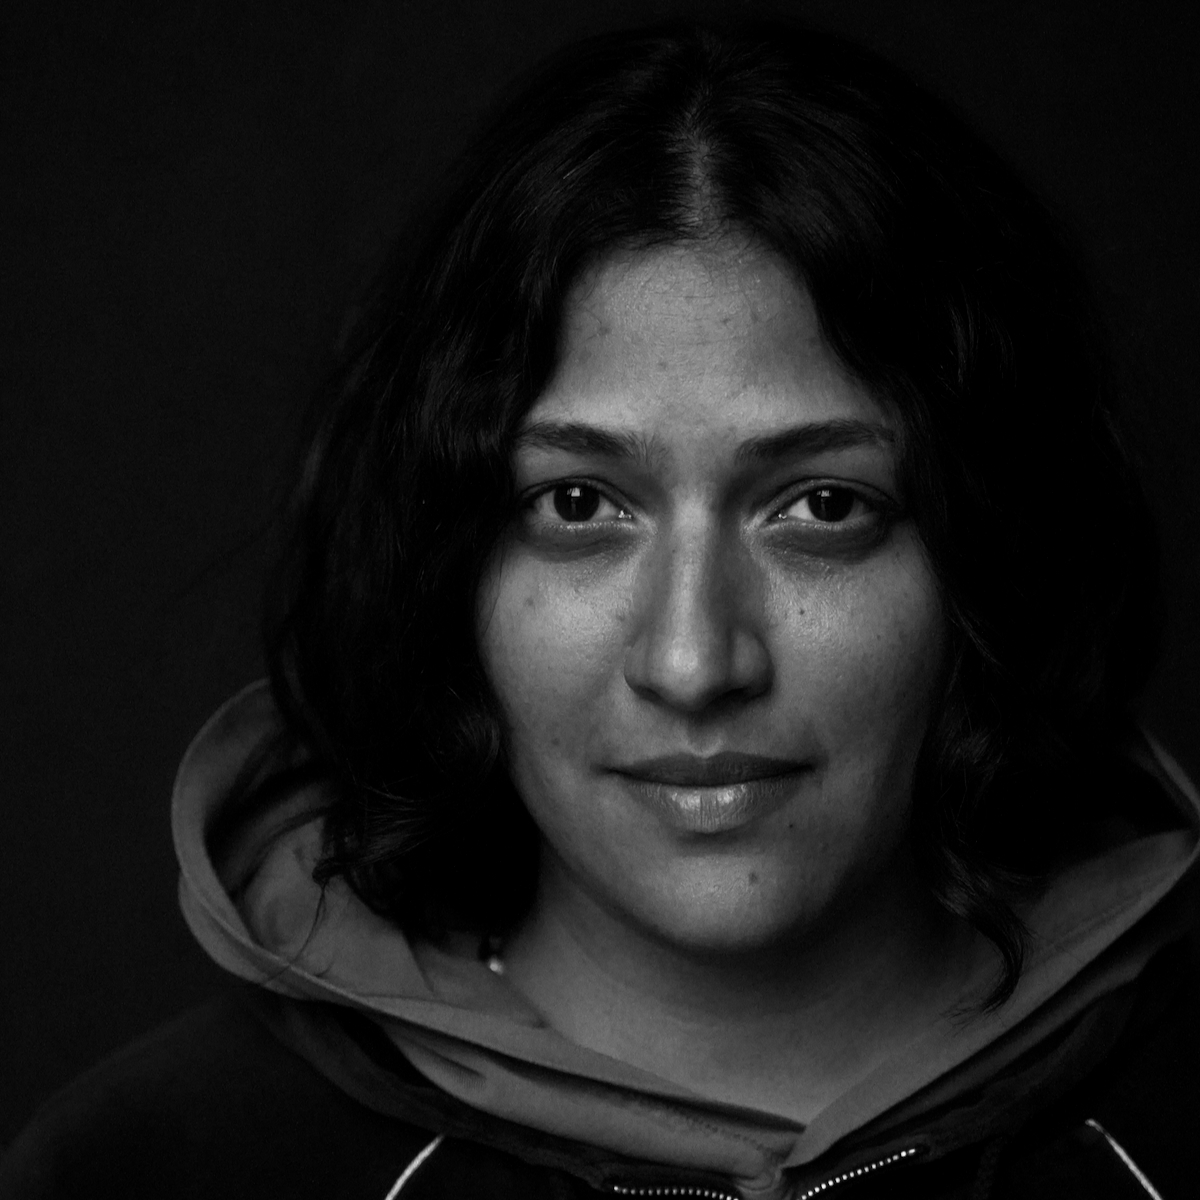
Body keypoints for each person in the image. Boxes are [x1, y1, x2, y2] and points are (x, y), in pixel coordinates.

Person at [3, 18, 1197, 1200]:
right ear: (448, 565)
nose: (693, 660)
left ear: (990, 554)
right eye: (579, 503)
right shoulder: (144, 1174)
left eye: (823, 506)